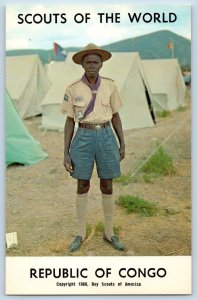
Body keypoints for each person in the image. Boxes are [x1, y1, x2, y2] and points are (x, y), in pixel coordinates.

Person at [61, 43, 125, 252]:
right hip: (83, 137)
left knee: (107, 184)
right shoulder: (73, 88)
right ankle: (80, 233)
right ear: (82, 64)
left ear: (101, 64)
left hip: (106, 136)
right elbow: (70, 121)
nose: (91, 64)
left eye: (95, 61)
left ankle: (109, 232)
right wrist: (66, 152)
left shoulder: (110, 86)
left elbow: (116, 116)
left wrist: (121, 142)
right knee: (82, 184)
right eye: (87, 61)